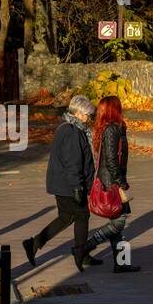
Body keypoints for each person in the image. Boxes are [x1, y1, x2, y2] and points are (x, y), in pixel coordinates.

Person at [23, 94, 98, 271]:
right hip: (68, 185)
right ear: (78, 113)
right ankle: (80, 255)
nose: (89, 118)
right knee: (82, 216)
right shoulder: (71, 132)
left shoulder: (71, 128)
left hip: (64, 183)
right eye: (87, 114)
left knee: (67, 217)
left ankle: (34, 243)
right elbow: (72, 163)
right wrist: (78, 187)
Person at [85, 95, 140, 273]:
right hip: (111, 182)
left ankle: (121, 263)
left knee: (117, 227)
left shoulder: (113, 128)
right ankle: (86, 247)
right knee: (119, 222)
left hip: (112, 179)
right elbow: (110, 160)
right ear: (114, 109)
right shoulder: (111, 129)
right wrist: (121, 182)